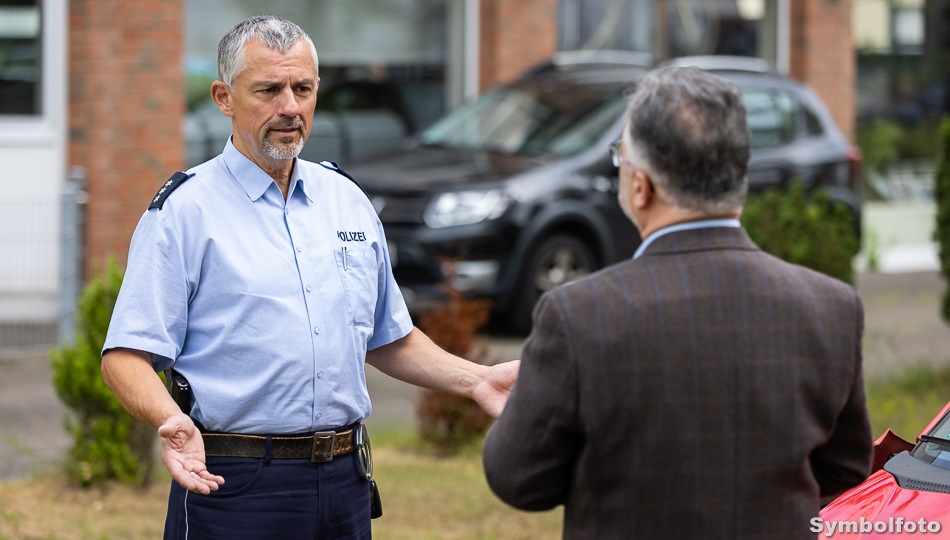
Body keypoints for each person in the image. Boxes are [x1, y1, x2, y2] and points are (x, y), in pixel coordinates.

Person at [100, 15, 518, 539]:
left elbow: (388, 337)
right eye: (269, 90)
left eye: (302, 88)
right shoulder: (186, 212)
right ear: (224, 97)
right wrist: (171, 420)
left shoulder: (347, 201)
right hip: (232, 481)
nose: (290, 108)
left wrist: (478, 380)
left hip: (344, 479)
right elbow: (125, 356)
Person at [482, 66, 872, 539]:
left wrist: (533, 405)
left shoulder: (579, 315)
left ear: (641, 187)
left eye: (619, 156)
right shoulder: (831, 307)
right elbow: (846, 470)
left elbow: (520, 481)